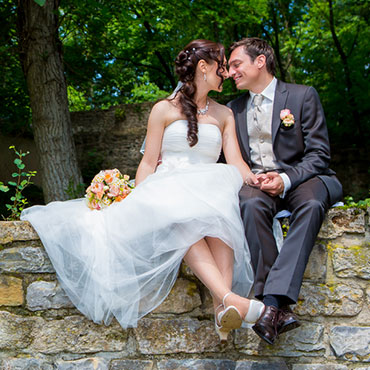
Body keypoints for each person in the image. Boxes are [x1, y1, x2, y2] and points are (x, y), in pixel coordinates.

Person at [20, 39, 264, 342]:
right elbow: (148, 164)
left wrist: (256, 180)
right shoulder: (163, 109)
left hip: (209, 185)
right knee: (180, 214)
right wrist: (142, 199)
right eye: (222, 66)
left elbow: (237, 162)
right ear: (204, 67)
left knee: (221, 210)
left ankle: (222, 305)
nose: (226, 73)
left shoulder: (224, 115)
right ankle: (227, 299)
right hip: (169, 187)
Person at [227, 37, 343, 344]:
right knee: (249, 205)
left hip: (304, 179)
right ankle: (279, 309)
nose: (230, 72)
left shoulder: (303, 96)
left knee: (313, 204)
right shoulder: (233, 109)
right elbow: (225, 156)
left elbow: (319, 155)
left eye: (236, 64)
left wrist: (286, 179)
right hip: (258, 185)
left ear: (260, 62)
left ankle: (272, 303)